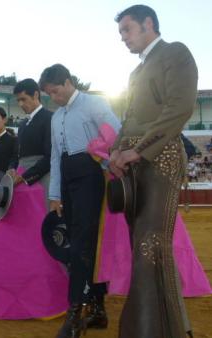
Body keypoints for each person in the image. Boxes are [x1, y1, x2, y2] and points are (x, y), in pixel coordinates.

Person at [110, 5, 198, 338]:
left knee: (149, 245)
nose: (123, 38)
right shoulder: (136, 73)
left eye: (127, 30)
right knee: (148, 247)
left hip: (159, 160)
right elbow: (128, 120)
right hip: (134, 164)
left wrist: (138, 150)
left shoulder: (175, 53)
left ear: (149, 24)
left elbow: (180, 107)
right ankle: (174, 327)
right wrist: (117, 151)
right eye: (121, 33)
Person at [39, 63, 120, 338]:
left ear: (68, 82)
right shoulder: (56, 116)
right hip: (67, 175)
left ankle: (76, 313)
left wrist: (100, 150)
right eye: (49, 94)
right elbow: (55, 156)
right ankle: (97, 309)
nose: (53, 98)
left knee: (84, 243)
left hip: (90, 175)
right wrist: (54, 194)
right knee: (80, 242)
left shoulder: (93, 103)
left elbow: (116, 132)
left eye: (55, 91)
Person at [9, 78, 52, 204]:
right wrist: (12, 168)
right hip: (21, 176)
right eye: (18, 101)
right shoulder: (22, 124)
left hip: (42, 176)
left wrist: (25, 176)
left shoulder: (50, 118)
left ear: (36, 95)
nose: (20, 104)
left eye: (23, 99)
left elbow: (50, 156)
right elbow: (17, 154)